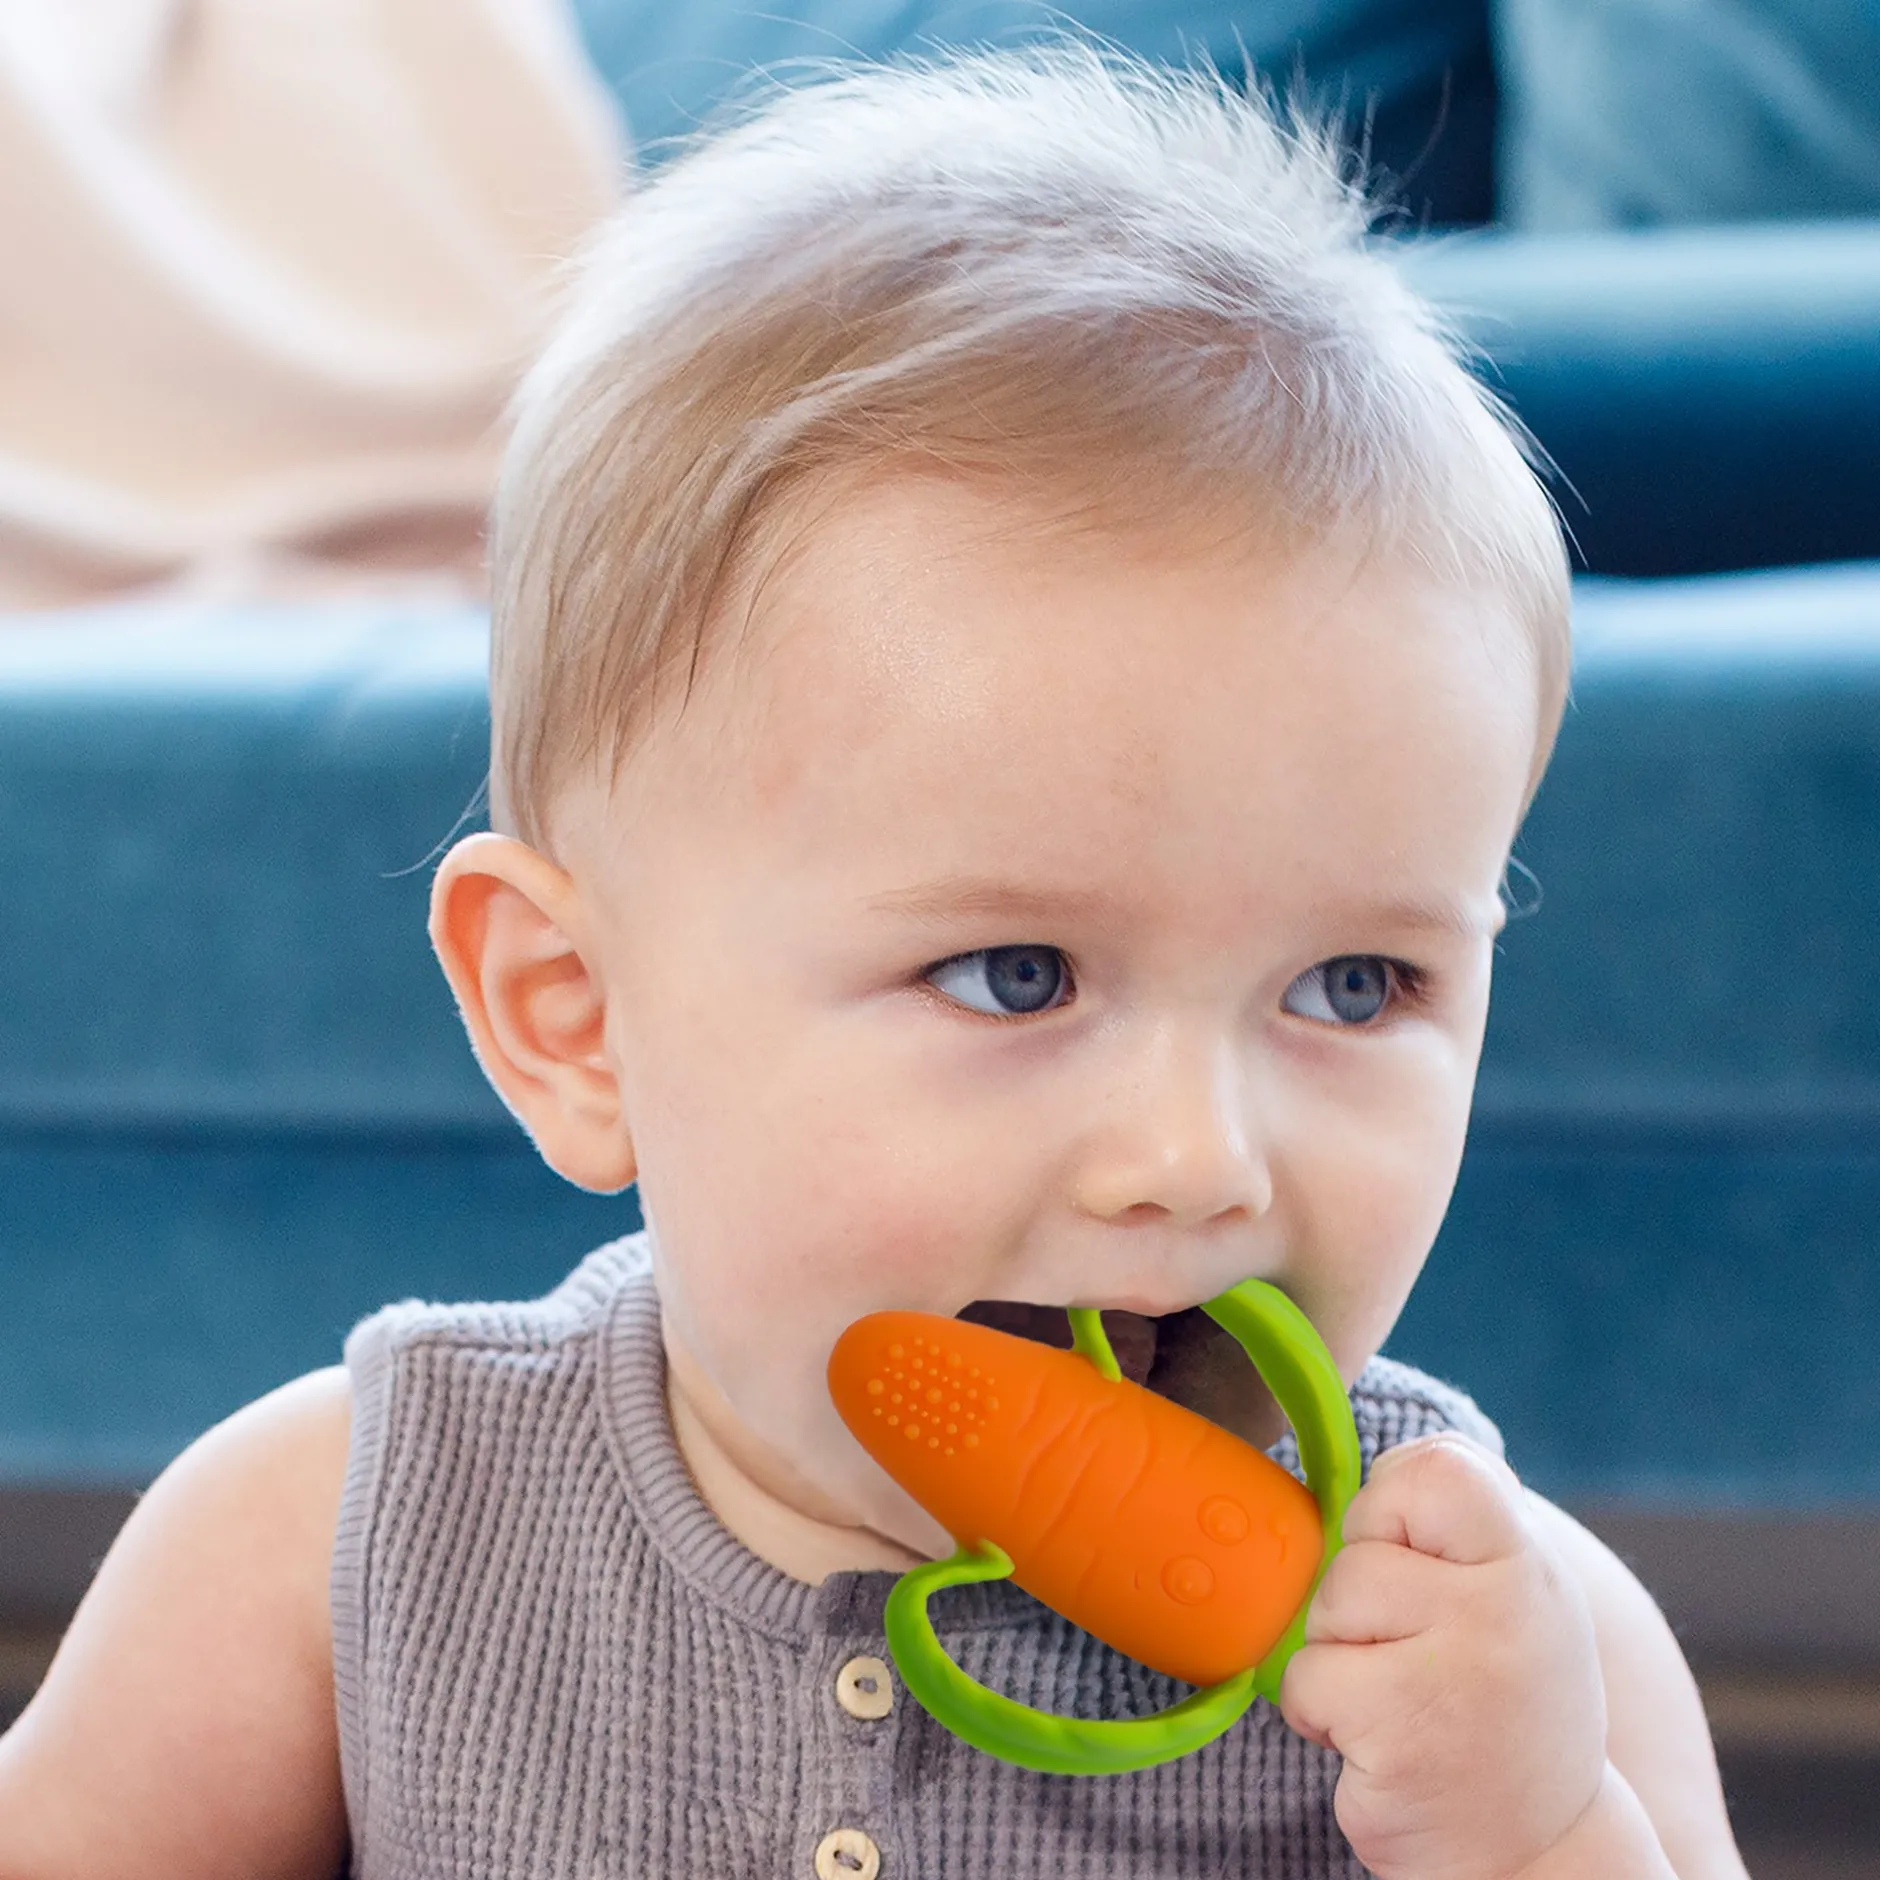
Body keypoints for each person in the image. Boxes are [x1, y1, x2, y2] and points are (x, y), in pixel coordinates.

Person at [0, 45, 1749, 1880]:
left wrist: (1543, 1831)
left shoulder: (1508, 1658)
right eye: (1017, 975)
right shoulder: (345, 1540)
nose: (1198, 1160)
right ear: (575, 1019)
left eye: (1351, 988)